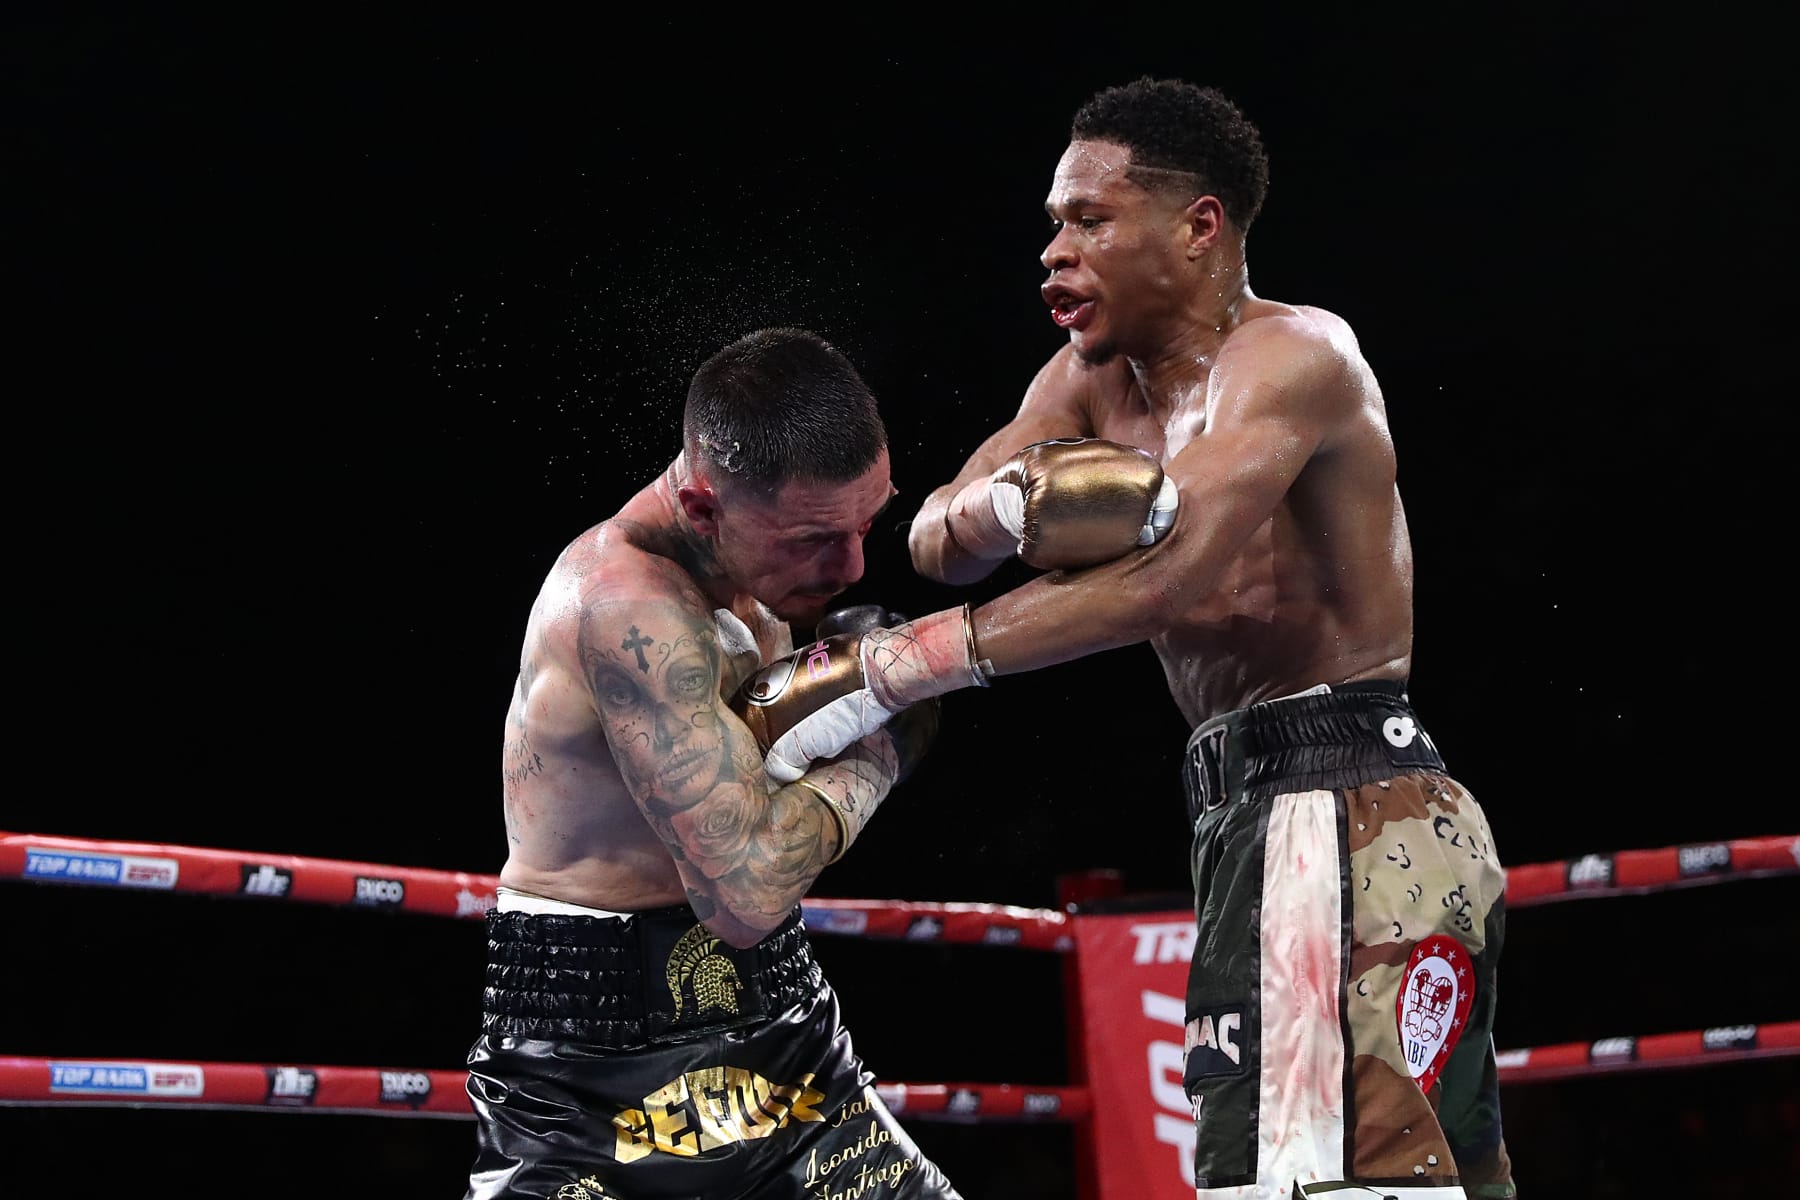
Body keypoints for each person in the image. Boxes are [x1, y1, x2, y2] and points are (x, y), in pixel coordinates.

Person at [742, 79, 1515, 1198]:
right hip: (1265, 811)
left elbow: (1162, 582)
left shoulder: (1297, 357)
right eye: (1054, 223)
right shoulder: (1087, 380)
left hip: (1339, 803)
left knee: (1312, 1187)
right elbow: (929, 535)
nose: (1055, 250)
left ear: (1198, 226)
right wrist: (1005, 507)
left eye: (1090, 220)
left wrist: (886, 671)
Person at [462, 326, 962, 1199]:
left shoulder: (754, 579)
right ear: (702, 507)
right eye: (813, 537)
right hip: (593, 1068)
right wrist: (882, 744)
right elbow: (746, 894)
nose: (849, 565)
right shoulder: (624, 606)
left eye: (865, 524)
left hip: (784, 1030)